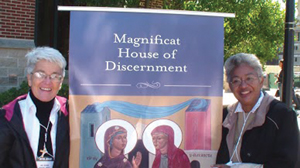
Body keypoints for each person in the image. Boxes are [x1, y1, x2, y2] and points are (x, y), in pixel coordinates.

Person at [212, 53, 299, 168]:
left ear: (261, 80)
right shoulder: (225, 115)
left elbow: (288, 163)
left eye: (249, 78)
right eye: (236, 80)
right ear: (230, 85)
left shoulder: (282, 115)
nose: (243, 86)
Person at [0, 46, 69, 168]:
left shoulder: (70, 114)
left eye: (54, 76)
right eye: (40, 74)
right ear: (29, 78)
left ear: (61, 82)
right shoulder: (7, 117)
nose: (47, 81)